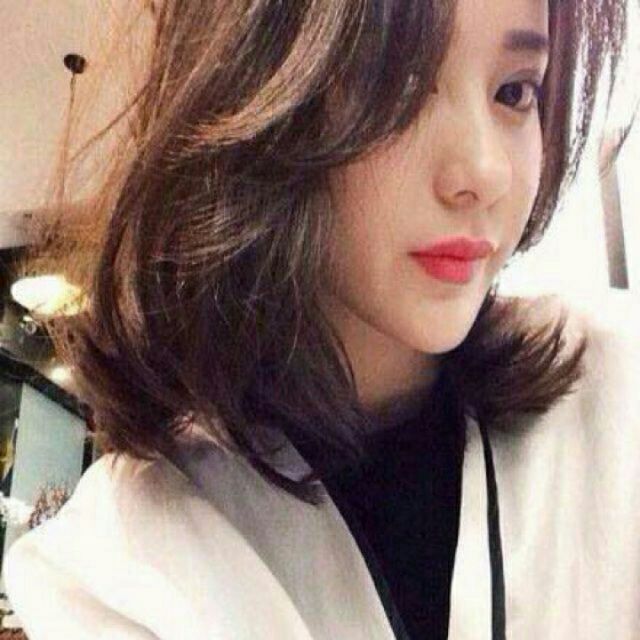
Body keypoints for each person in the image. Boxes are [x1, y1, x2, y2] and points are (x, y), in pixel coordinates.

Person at [2, 0, 638, 638]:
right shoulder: (119, 563)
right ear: (253, 91)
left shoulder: (619, 398)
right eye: (394, 85)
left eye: (514, 92)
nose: (484, 172)